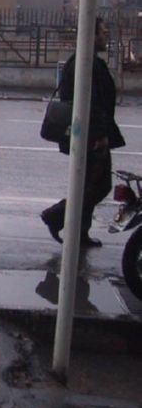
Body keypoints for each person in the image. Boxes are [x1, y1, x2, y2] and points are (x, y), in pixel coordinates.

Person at [41, 17, 125, 247]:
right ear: (91, 35)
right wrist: (100, 136)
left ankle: (79, 233)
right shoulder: (87, 63)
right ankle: (56, 215)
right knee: (98, 186)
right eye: (103, 33)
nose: (106, 37)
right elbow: (92, 104)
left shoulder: (82, 61)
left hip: (86, 133)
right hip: (91, 135)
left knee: (88, 184)